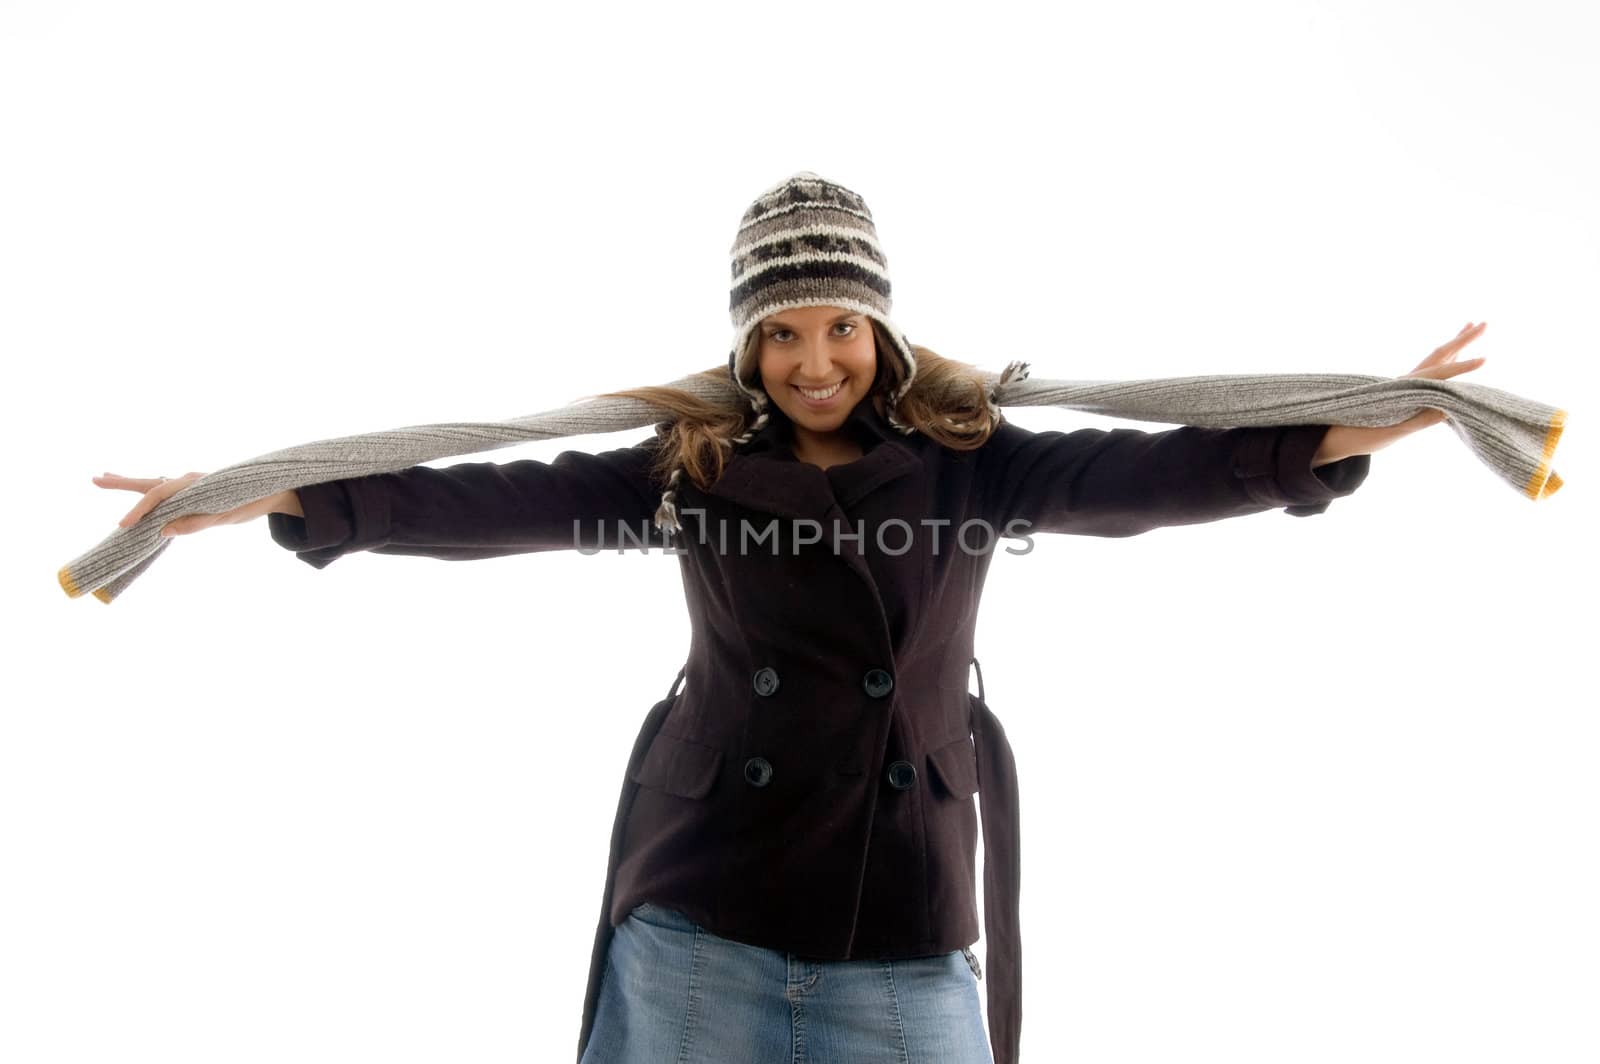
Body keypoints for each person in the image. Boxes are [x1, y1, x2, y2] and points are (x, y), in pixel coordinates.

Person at [93, 172, 1486, 1063]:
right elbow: (491, 500)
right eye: (779, 332)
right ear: (746, 344)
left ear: (878, 329)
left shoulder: (970, 460)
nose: (811, 360)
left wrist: (1355, 426)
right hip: (704, 916)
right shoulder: (690, 470)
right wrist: (276, 500)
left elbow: (1160, 471)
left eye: (836, 326)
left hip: (904, 929)